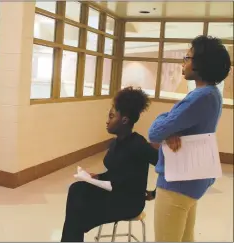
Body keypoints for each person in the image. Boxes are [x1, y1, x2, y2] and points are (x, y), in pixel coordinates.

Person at [148, 35, 231, 242]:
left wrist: (166, 124)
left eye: (188, 57)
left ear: (201, 64)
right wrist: (172, 129)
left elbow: (155, 132)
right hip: (191, 183)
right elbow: (174, 125)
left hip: (176, 184)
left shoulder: (200, 97)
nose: (183, 62)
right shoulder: (212, 94)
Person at [60, 87, 159, 242]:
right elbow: (118, 172)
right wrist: (97, 176)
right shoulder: (115, 143)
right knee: (77, 190)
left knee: (77, 215)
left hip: (128, 202)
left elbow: (166, 166)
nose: (107, 121)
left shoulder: (138, 144)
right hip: (113, 192)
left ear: (124, 120)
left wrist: (154, 193)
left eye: (112, 116)